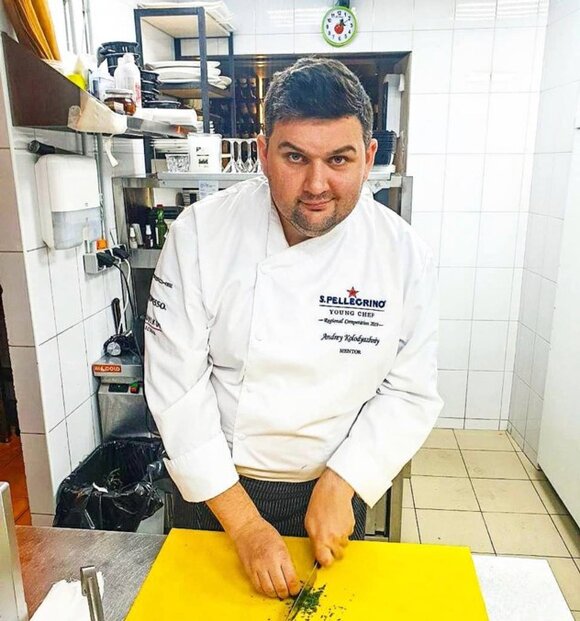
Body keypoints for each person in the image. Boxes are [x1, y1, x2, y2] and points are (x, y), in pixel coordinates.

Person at [144, 57, 442, 600]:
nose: (316, 184)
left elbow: (410, 392)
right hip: (218, 488)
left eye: (339, 159)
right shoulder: (201, 235)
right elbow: (176, 389)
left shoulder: (403, 256)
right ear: (263, 153)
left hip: (332, 490)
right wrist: (245, 525)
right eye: (295, 157)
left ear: (369, 156)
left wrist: (344, 482)